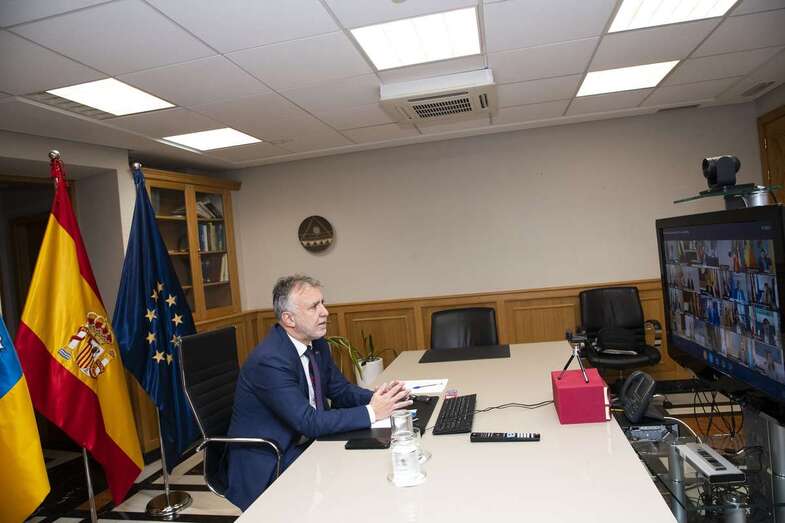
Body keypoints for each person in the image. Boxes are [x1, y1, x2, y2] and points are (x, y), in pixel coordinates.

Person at [224, 275, 412, 510]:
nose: (325, 312)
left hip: (307, 442)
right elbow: (308, 422)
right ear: (288, 319)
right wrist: (373, 412)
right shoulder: (270, 360)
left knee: (373, 477)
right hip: (273, 457)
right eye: (314, 306)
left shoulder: (316, 343)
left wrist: (380, 397)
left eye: (322, 303)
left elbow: (340, 390)